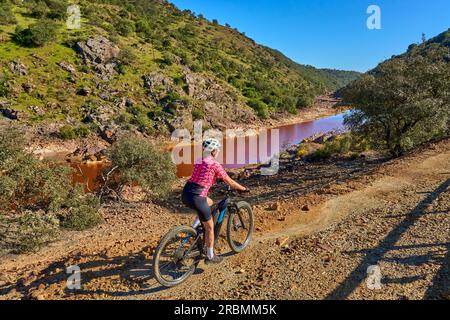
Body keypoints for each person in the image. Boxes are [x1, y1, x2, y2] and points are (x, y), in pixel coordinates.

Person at [182, 138, 248, 265]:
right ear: (213, 151)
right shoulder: (214, 164)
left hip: (186, 194)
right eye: (217, 150)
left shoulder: (198, 160)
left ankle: (194, 226)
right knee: (210, 228)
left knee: (210, 202)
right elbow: (229, 181)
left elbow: (202, 175)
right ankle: (210, 256)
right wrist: (243, 189)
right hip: (197, 197)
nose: (218, 152)